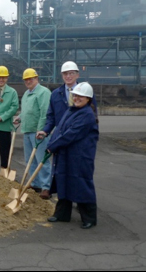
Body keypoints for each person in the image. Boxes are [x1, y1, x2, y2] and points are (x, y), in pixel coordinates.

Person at [46, 82, 99, 229]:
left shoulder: (87, 115)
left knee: (81, 183)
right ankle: (62, 214)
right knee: (63, 181)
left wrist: (53, 146)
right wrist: (52, 142)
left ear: (88, 98)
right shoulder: (71, 110)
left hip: (80, 156)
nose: (77, 98)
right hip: (66, 154)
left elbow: (71, 134)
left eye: (81, 96)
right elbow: (60, 130)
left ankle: (89, 218)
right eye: (75, 95)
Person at [13, 68, 52, 199]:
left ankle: (46, 187)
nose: (28, 81)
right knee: (30, 159)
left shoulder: (43, 92)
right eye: (26, 80)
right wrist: (19, 117)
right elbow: (26, 111)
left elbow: (44, 113)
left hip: (39, 133)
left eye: (31, 79)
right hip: (27, 131)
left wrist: (41, 130)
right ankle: (35, 183)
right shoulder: (26, 94)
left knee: (42, 160)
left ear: (37, 79)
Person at [37, 61, 97, 140]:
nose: (68, 76)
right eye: (65, 73)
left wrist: (93, 138)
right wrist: (45, 131)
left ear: (77, 75)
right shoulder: (55, 94)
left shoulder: (86, 93)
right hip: (60, 138)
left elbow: (94, 117)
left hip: (80, 138)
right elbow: (51, 117)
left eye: (71, 73)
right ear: (62, 76)